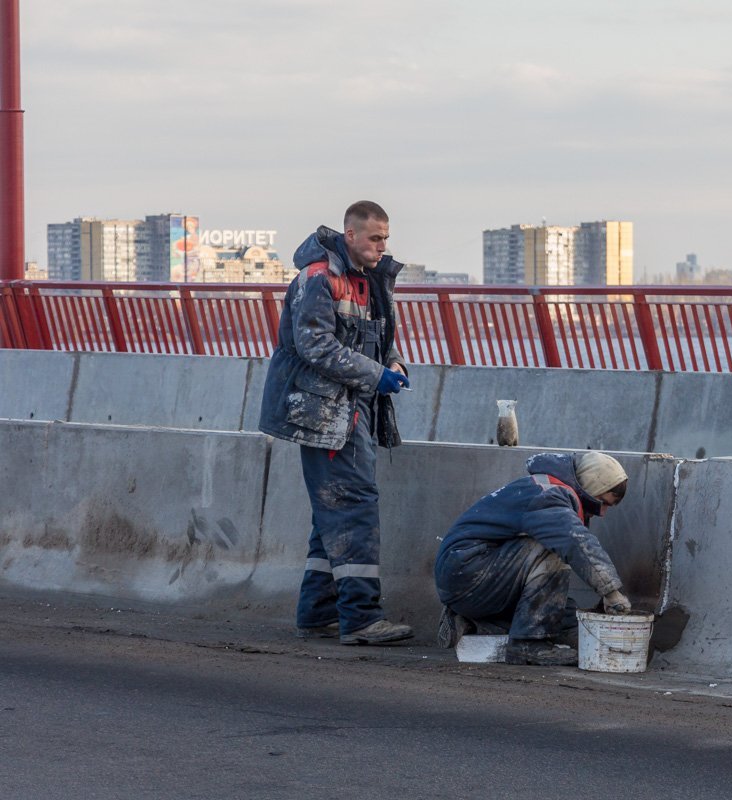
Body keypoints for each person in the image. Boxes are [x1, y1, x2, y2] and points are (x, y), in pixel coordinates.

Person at [259, 200, 413, 646]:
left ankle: (318, 612)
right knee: (353, 508)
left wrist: (394, 364)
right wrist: (376, 375)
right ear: (350, 235)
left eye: (385, 238)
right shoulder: (318, 278)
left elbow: (380, 339)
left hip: (352, 412)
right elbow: (316, 347)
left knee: (334, 511)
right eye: (375, 238)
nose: (382, 246)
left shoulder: (369, 280)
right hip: (327, 415)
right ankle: (361, 619)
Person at [435, 451, 634, 666]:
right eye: (602, 502)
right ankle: (528, 644)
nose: (602, 513)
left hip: (471, 578)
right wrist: (611, 592)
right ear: (591, 487)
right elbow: (575, 542)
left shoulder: (547, 488)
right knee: (550, 549)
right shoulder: (548, 495)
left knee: (560, 611)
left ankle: (472, 621)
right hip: (468, 575)